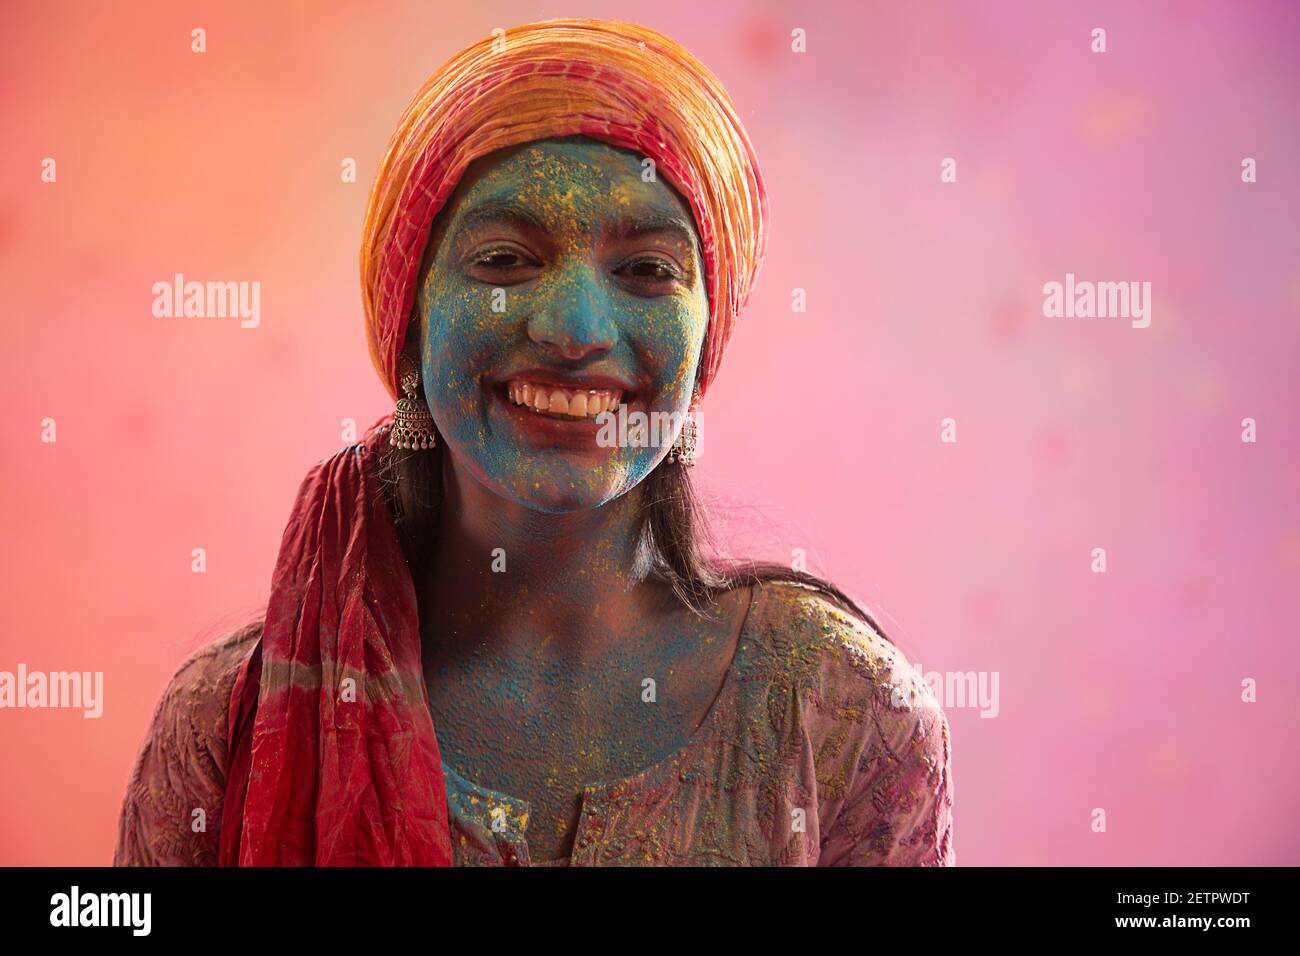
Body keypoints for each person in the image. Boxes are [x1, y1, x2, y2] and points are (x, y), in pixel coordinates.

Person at [115, 18, 954, 867]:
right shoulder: (229, 724)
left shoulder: (841, 713)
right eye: (505, 259)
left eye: (647, 270)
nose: (574, 329)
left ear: (706, 342)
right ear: (409, 322)